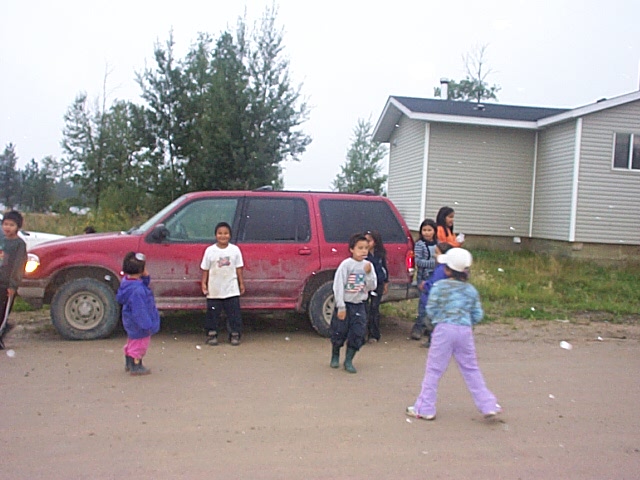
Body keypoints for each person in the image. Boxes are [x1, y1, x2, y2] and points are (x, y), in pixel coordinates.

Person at [406, 247, 501, 421]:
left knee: (434, 369)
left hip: (443, 329)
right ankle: (488, 405)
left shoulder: (439, 287)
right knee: (471, 368)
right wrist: (466, 321)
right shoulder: (470, 290)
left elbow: (431, 309)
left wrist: (437, 321)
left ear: (447, 269)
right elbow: (477, 315)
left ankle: (424, 407)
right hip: (464, 331)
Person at [330, 233, 377, 373]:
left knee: (358, 332)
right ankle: (335, 354)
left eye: (366, 248)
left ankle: (349, 360)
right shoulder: (346, 265)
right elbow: (338, 285)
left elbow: (372, 286)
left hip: (359, 305)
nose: (363, 251)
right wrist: (341, 306)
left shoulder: (368, 266)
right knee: (339, 331)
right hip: (345, 304)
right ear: (351, 249)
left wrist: (368, 274)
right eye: (360, 248)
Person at [200, 222, 245, 346]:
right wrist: (204, 283)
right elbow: (205, 269)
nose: (223, 236)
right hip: (214, 289)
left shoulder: (235, 250)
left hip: (231, 288)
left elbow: (239, 268)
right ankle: (212, 334)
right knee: (213, 314)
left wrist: (241, 283)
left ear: (230, 235)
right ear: (215, 235)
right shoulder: (210, 251)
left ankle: (235, 335)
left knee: (234, 314)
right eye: (220, 233)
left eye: (225, 233)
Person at [116, 252, 161, 375]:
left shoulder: (127, 282)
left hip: (130, 320)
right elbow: (139, 310)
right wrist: (147, 325)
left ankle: (129, 362)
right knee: (140, 344)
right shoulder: (138, 290)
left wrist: (145, 276)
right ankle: (136, 365)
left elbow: (143, 283)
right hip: (139, 323)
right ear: (141, 269)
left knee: (132, 341)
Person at [0, 210, 28, 350]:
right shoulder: (2, 241)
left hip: (7, 285)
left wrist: (13, 285)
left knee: (2, 312)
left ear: (18, 227)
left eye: (11, 225)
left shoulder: (19, 245)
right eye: (5, 224)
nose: (7, 227)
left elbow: (19, 266)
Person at [410, 219, 438, 340]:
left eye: (429, 230)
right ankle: (418, 327)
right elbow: (418, 261)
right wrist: (434, 263)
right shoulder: (420, 244)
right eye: (424, 230)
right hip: (424, 277)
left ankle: (429, 327)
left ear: (434, 231)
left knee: (434, 303)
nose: (427, 233)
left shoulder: (438, 244)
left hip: (436, 277)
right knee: (424, 303)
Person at [364, 230, 388, 343]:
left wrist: (385, 283)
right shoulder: (363, 255)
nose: (367, 243)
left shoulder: (380, 254)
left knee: (374, 308)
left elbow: (384, 268)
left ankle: (374, 334)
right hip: (366, 284)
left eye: (369, 241)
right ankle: (363, 333)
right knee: (365, 308)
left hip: (378, 283)